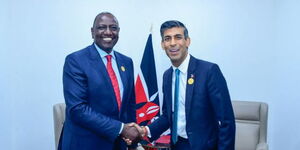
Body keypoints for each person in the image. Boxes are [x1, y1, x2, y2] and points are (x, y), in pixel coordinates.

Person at [142, 20, 236, 150]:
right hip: (177, 145)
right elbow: (168, 116)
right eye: (167, 39)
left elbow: (226, 121)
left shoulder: (208, 71)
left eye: (178, 37)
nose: (173, 43)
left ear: (187, 41)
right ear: (163, 44)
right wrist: (145, 130)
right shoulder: (167, 76)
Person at [58, 12, 142, 150]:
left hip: (117, 144)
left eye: (113, 28)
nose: (108, 32)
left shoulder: (126, 62)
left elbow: (129, 104)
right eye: (102, 27)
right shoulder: (75, 61)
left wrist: (132, 135)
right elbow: (78, 109)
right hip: (85, 143)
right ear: (92, 32)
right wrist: (121, 128)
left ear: (118, 31)